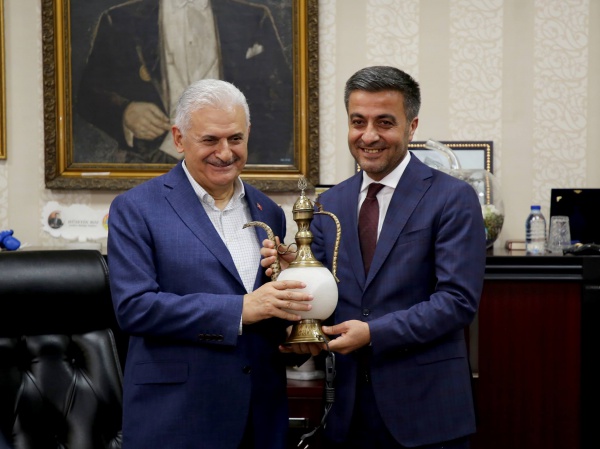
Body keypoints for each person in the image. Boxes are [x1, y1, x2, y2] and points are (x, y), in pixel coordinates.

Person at [261, 66, 487, 448]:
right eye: (358, 122)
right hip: (347, 413)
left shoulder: (452, 198)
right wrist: (294, 275)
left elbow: (456, 302)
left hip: (427, 411)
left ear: (411, 127)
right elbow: (324, 301)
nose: (368, 135)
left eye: (385, 122)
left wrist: (373, 334)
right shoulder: (329, 203)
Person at [107, 78, 312, 448]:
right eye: (210, 140)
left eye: (235, 138)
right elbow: (134, 308)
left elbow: (266, 313)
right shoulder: (136, 208)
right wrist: (239, 309)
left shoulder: (269, 211)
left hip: (261, 416)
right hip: (178, 418)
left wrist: (294, 325)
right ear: (179, 138)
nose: (225, 152)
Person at [76, 0, 293, 165]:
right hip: (149, 162)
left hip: (230, 163)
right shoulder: (118, 19)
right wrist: (125, 112)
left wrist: (254, 162)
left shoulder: (253, 18)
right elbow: (88, 94)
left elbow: (281, 97)